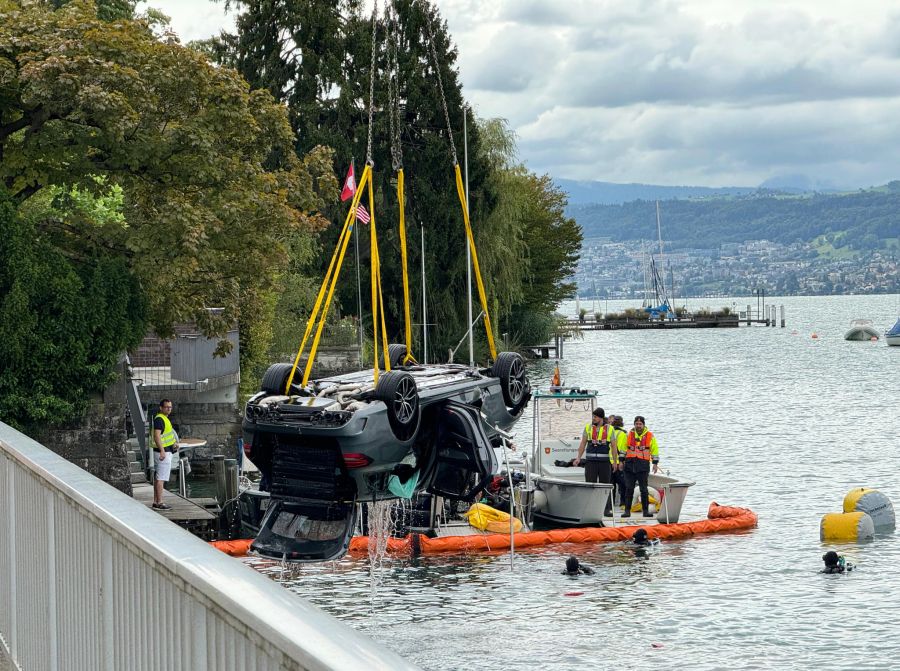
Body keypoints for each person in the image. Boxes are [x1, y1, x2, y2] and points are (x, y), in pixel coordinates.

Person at [574, 408, 618, 515]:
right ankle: (590, 509)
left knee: (605, 487)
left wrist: (615, 462)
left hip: (605, 463)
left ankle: (606, 510)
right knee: (590, 486)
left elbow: (614, 447)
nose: (594, 418)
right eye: (593, 416)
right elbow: (583, 444)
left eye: (596, 417)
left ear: (601, 418)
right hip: (591, 463)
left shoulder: (610, 429)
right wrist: (578, 458)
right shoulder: (588, 428)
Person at [621, 415, 659, 518]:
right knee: (629, 488)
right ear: (634, 424)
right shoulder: (628, 435)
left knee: (643, 489)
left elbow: (654, 450)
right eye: (637, 424)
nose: (638, 426)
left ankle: (645, 512)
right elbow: (623, 449)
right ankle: (627, 511)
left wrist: (655, 464)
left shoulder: (650, 436)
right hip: (629, 466)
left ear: (643, 425)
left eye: (640, 424)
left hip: (643, 466)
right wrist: (621, 461)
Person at [151, 398, 178, 510]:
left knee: (159, 478)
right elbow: (157, 436)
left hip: (166, 451)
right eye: (167, 407)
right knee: (161, 478)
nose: (169, 409)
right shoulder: (160, 419)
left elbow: (165, 436)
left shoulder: (164, 419)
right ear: (161, 408)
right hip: (163, 453)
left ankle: (156, 501)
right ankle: (160, 503)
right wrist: (162, 450)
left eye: (170, 407)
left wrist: (174, 444)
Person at [610, 415, 628, 509]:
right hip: (619, 462)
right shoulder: (624, 434)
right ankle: (623, 503)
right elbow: (625, 449)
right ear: (622, 423)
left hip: (609, 462)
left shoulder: (609, 432)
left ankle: (610, 505)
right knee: (623, 484)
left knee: (611, 485)